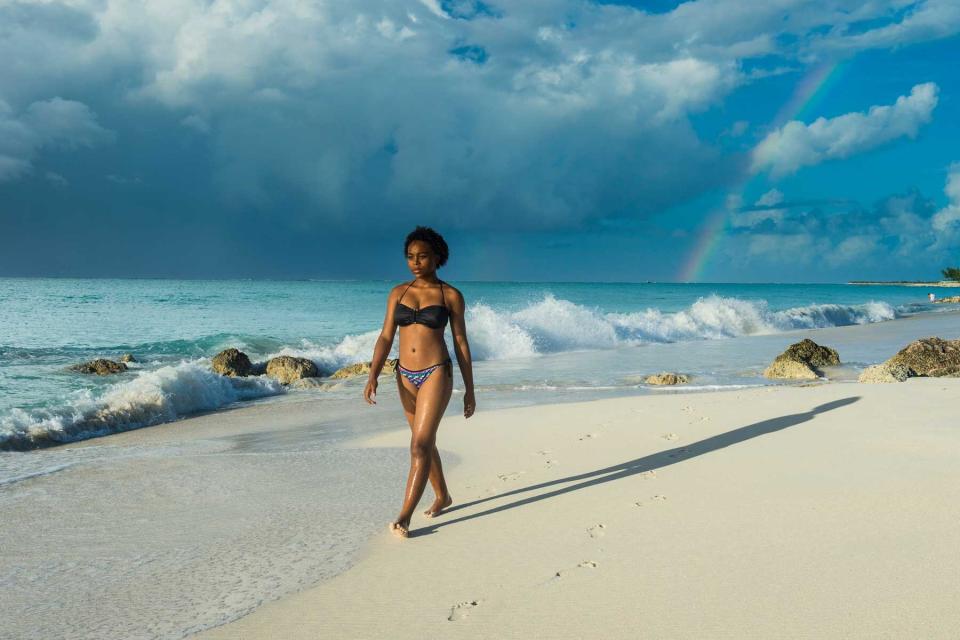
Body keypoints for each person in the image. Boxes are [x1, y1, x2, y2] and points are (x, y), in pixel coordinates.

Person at [363, 226, 476, 538]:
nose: (415, 262)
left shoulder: (450, 295)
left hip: (436, 372)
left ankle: (404, 516)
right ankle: (443, 496)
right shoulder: (398, 292)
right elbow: (386, 336)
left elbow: (461, 343)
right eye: (410, 257)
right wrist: (373, 374)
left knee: (419, 445)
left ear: (437, 258)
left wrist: (469, 389)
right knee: (424, 443)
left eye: (422, 256)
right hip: (404, 375)